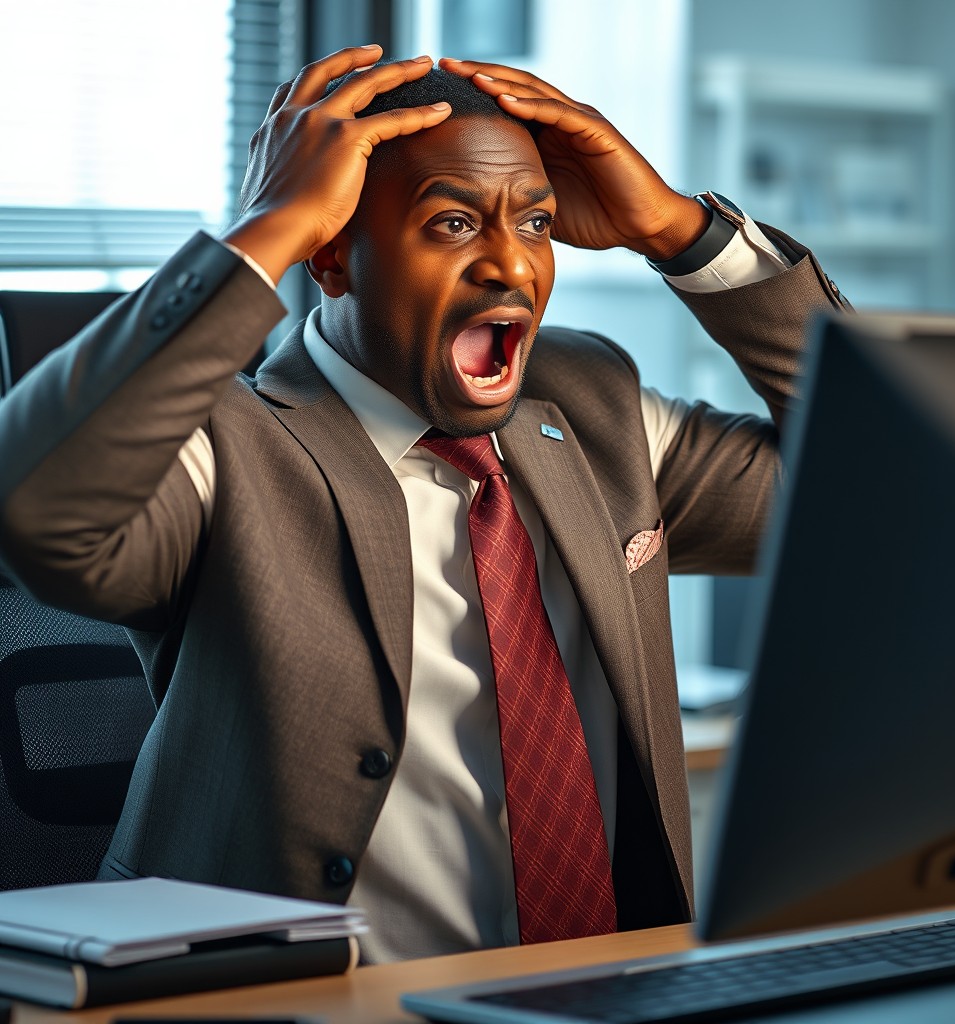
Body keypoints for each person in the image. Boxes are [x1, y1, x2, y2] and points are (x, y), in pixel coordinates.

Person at [0, 46, 848, 962]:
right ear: (331, 255)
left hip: (615, 987)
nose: (510, 266)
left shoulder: (589, 403)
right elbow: (35, 506)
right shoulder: (227, 443)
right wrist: (270, 226)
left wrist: (682, 233)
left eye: (534, 221)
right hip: (301, 1003)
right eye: (450, 223)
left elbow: (873, 492)